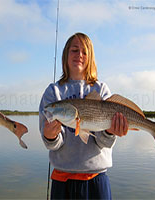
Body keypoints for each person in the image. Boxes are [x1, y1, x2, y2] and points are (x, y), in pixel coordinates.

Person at [39, 32, 129, 200]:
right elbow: (52, 145)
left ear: (90, 58)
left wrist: (110, 132)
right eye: (74, 50)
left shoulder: (101, 90)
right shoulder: (53, 92)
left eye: (84, 52)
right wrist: (50, 136)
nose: (79, 55)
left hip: (97, 179)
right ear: (66, 55)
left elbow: (104, 143)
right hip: (62, 179)